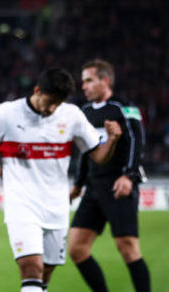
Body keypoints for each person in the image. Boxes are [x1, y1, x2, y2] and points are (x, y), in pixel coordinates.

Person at [0, 68, 122, 292]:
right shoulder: (7, 113)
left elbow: (98, 156)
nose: (53, 108)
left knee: (44, 276)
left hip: (57, 207)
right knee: (31, 268)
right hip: (22, 206)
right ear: (37, 90)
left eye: (59, 103)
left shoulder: (72, 115)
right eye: (50, 101)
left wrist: (112, 140)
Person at [68, 59, 150, 292]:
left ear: (105, 81)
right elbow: (85, 152)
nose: (83, 86)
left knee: (128, 248)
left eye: (89, 81)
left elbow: (136, 141)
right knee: (77, 249)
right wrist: (79, 183)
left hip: (118, 184)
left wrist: (129, 176)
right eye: (83, 81)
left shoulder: (124, 108)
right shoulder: (83, 113)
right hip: (93, 187)